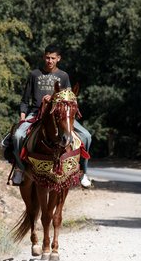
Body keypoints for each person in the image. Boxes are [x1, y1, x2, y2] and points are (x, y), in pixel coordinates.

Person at [11, 44, 92, 188]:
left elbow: (68, 99)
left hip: (60, 115)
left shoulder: (63, 76)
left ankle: (83, 172)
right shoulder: (34, 74)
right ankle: (19, 169)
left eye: (53, 58)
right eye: (47, 57)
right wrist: (22, 117)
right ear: (44, 57)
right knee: (17, 136)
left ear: (58, 59)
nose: (50, 60)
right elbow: (25, 100)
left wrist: (55, 98)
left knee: (87, 136)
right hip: (36, 112)